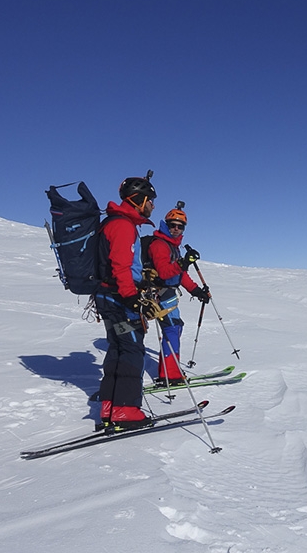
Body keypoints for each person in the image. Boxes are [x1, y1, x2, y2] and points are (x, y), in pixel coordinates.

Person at [94, 175, 158, 431]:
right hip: (119, 297)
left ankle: (110, 407)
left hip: (107, 296)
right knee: (132, 349)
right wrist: (132, 298)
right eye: (150, 200)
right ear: (138, 200)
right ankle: (126, 410)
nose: (153, 205)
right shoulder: (123, 226)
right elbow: (121, 266)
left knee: (118, 349)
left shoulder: (111, 223)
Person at [147, 204, 211, 385]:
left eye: (180, 226)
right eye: (172, 224)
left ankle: (170, 369)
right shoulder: (160, 244)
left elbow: (179, 274)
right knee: (172, 329)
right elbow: (165, 272)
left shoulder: (172, 246)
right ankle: (170, 375)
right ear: (166, 224)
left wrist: (196, 291)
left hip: (169, 295)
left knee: (175, 328)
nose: (176, 228)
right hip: (158, 295)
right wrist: (183, 263)